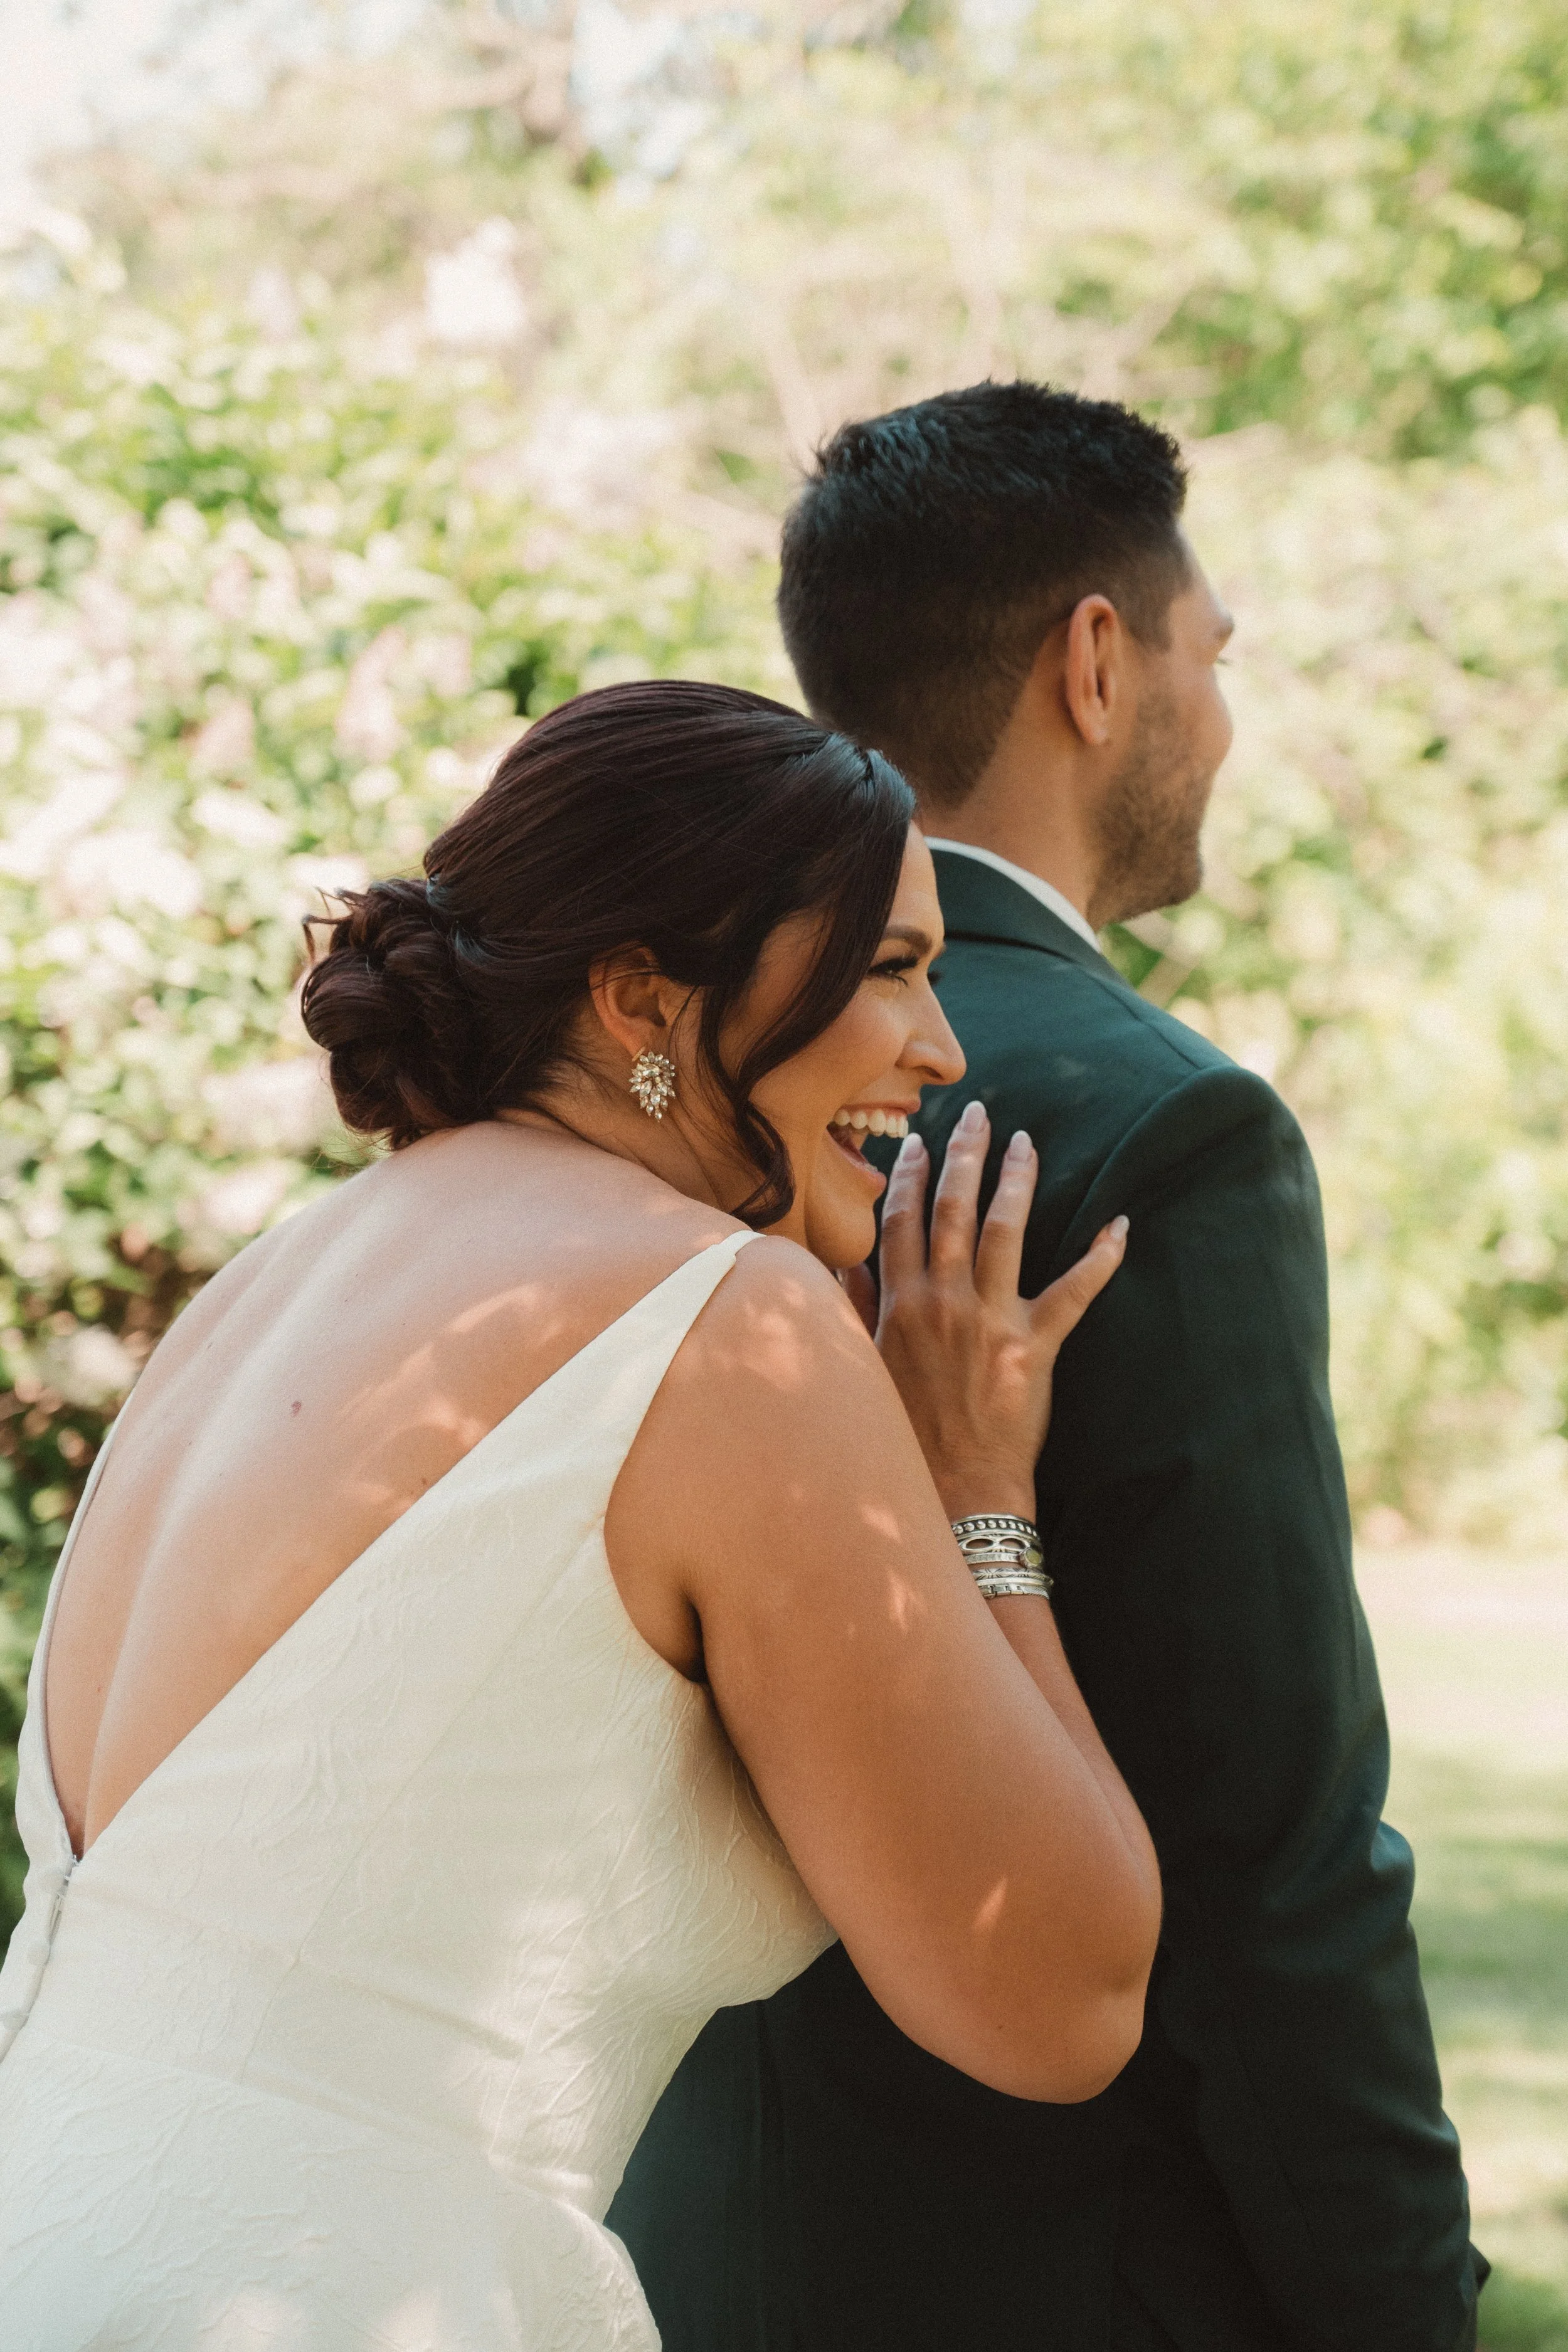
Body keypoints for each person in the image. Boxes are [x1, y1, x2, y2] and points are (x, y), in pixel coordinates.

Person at [0, 679, 1160, 2351]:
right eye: (888, 966)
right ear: (642, 995)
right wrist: (977, 1490)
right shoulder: (727, 1322)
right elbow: (1059, 1993)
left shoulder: (264, 1288)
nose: (941, 1043)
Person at [610, 389, 1490, 2351]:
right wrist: (1398, 2305)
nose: (1222, 715)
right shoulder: (1156, 1128)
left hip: (688, 2254)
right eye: (1210, 653)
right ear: (1095, 662)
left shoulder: (658, 1099)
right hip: (1060, 2279)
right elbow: (1273, 1862)